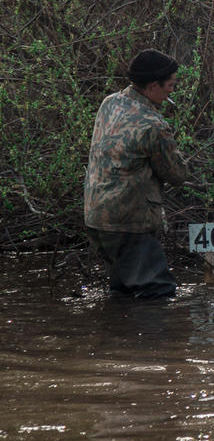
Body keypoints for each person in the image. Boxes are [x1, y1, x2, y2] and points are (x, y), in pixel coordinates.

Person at [84, 48, 190, 298]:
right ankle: (149, 338)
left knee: (123, 291)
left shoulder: (109, 102)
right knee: (157, 292)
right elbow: (176, 175)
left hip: (97, 218)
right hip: (129, 222)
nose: (171, 91)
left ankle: (118, 337)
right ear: (154, 85)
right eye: (170, 86)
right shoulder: (153, 125)